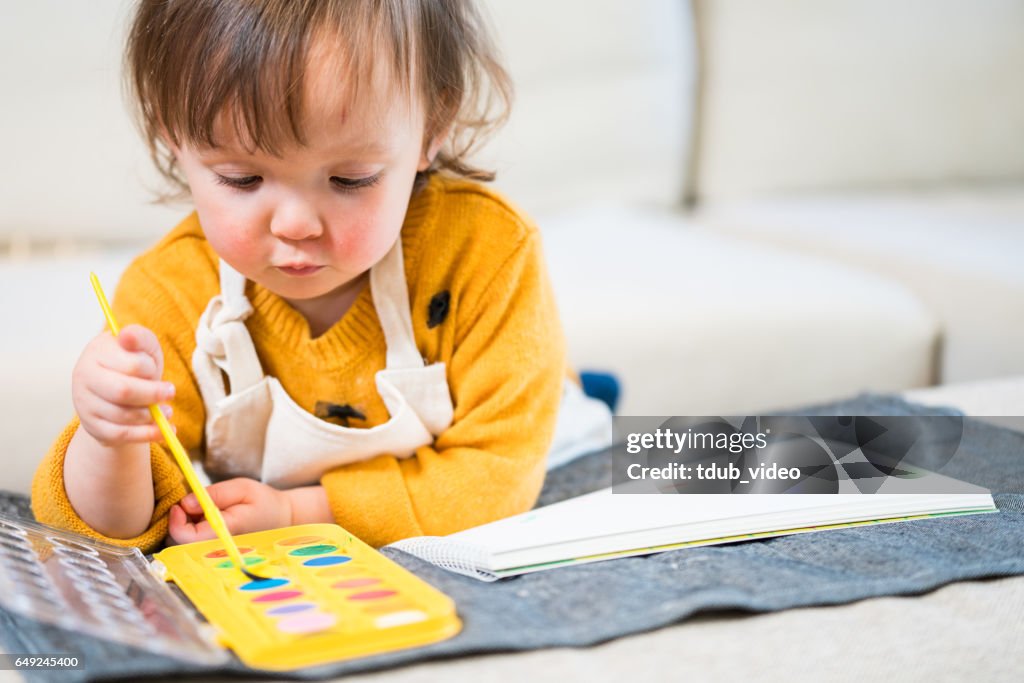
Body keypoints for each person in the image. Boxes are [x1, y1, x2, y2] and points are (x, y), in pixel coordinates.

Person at [31, 0, 611, 552]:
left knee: (676, 464)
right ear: (172, 137)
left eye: (350, 179)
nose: (295, 224)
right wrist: (109, 439)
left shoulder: (488, 251)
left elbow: (495, 479)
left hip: (542, 445)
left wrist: (298, 515)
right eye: (241, 179)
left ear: (432, 129)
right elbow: (108, 533)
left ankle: (598, 390)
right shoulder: (170, 296)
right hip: (392, 500)